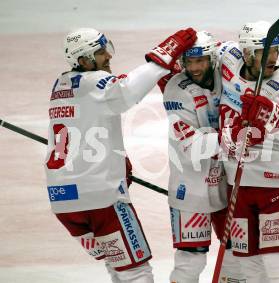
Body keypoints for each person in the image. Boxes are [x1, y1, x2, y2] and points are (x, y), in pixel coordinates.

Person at [44, 27, 196, 283]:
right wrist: (164, 55)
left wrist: (114, 161)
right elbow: (127, 91)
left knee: (118, 266)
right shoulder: (94, 83)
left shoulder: (60, 84)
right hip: (100, 199)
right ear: (83, 61)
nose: (108, 57)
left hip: (63, 202)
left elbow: (84, 128)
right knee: (135, 271)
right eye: (101, 52)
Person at [217, 21, 279, 283]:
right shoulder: (229, 57)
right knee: (249, 267)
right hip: (239, 186)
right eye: (266, 52)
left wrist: (275, 116)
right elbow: (202, 53)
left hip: (278, 186)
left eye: (276, 50)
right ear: (247, 53)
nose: (274, 57)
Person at [162, 31, 243, 283]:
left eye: (201, 61)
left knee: (237, 254)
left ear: (212, 59)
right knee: (191, 259)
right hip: (191, 187)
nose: (195, 68)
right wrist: (233, 136)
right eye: (189, 62)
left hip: (225, 182)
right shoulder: (177, 89)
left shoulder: (224, 75)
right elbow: (192, 145)